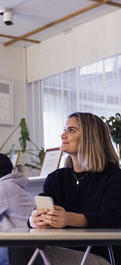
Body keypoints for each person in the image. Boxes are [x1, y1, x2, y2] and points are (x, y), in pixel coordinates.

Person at [29, 112, 121, 264]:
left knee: (34, 255)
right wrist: (34, 220)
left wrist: (70, 218)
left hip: (102, 255)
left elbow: (113, 219)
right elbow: (40, 212)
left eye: (71, 130)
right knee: (19, 250)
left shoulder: (114, 176)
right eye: (64, 129)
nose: (63, 135)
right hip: (62, 251)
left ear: (90, 137)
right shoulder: (56, 178)